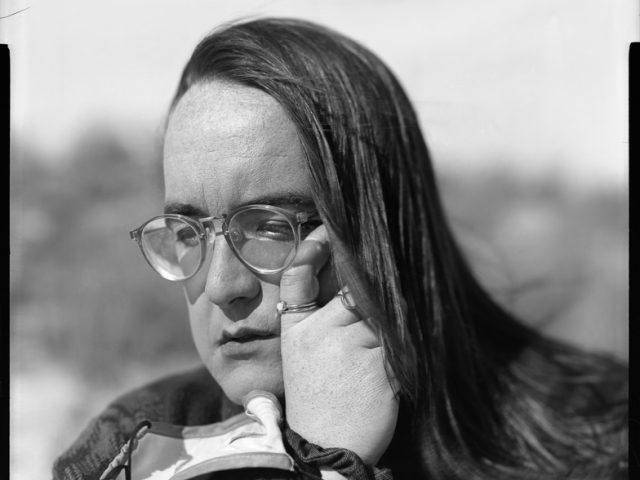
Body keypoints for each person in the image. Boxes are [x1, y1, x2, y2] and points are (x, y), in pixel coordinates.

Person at [52, 18, 628, 480]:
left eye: (272, 226)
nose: (223, 286)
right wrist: (332, 465)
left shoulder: (599, 435)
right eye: (188, 232)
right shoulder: (133, 447)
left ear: (382, 229)